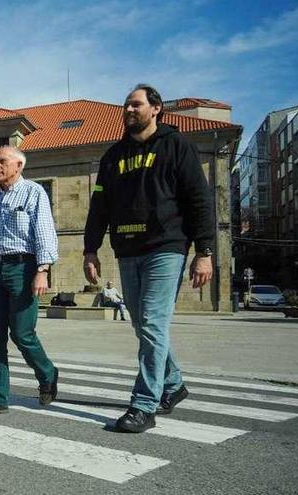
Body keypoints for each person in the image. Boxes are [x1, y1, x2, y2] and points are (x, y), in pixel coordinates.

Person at [83, 84, 213, 433]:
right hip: (127, 249)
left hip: (166, 247)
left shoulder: (177, 146)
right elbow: (99, 206)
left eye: (135, 105)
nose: (128, 110)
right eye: (125, 105)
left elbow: (199, 199)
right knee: (142, 325)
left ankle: (144, 405)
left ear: (155, 108)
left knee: (153, 324)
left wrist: (205, 252)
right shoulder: (113, 157)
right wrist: (90, 249)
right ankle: (173, 383)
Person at [0, 146, 60, 416]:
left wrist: (42, 269)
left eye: (2, 161)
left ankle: (47, 373)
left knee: (22, 333)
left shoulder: (33, 192)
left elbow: (44, 230)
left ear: (19, 165)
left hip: (23, 267)